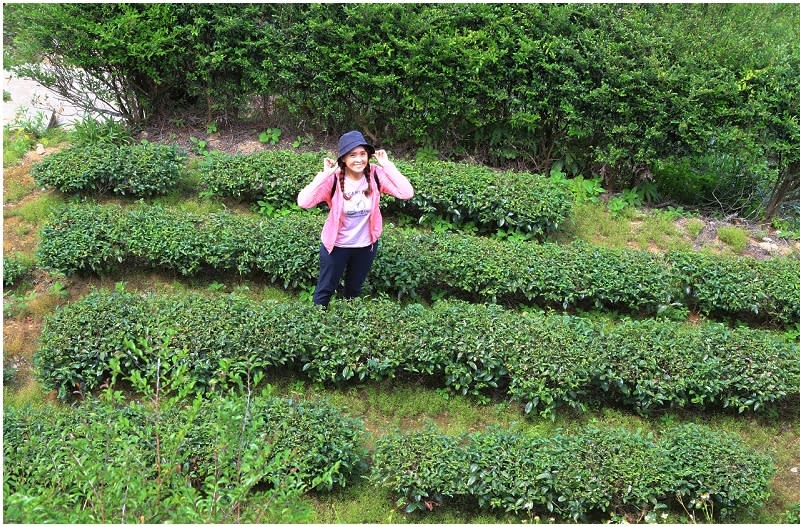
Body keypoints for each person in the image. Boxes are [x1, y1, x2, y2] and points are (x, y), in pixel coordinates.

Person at [297, 130, 414, 307]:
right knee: (325, 290)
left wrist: (387, 165)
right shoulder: (334, 179)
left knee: (353, 290)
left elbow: (406, 193)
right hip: (336, 246)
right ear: (343, 158)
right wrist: (325, 175)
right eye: (352, 155)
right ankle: (316, 325)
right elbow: (303, 202)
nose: (359, 159)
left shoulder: (375, 174)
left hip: (365, 247)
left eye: (363, 154)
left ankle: (349, 323)